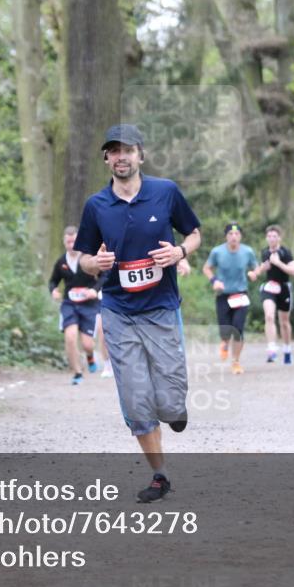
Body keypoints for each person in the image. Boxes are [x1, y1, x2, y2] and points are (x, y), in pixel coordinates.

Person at [75, 123, 201, 503]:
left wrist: (180, 252)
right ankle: (160, 475)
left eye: (127, 150)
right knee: (135, 396)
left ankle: (174, 408)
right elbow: (80, 258)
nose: (121, 157)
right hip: (118, 311)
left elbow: (194, 232)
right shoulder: (97, 206)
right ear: (106, 159)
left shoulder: (165, 192)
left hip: (161, 308)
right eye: (113, 151)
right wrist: (94, 263)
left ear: (140, 155)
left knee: (170, 399)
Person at [49, 226, 107, 385]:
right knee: (70, 337)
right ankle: (77, 372)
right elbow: (53, 280)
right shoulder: (61, 262)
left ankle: (90, 356)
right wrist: (53, 290)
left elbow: (104, 276)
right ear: (64, 242)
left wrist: (95, 290)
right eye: (68, 241)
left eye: (74, 241)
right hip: (69, 304)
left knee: (88, 344)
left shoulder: (88, 259)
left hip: (89, 304)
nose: (71, 244)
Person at [202, 223, 258, 375]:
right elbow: (206, 268)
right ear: (226, 236)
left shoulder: (247, 251)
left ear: (240, 236)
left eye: (237, 234)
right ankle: (224, 343)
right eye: (230, 234)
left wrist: (254, 273)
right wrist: (215, 281)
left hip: (241, 294)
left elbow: (256, 267)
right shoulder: (217, 252)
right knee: (225, 330)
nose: (234, 237)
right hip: (223, 295)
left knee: (238, 329)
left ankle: (236, 362)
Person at [251, 224, 294, 364]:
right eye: (269, 236)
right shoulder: (265, 252)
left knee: (284, 322)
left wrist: (278, 263)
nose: (272, 239)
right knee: (269, 316)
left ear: (279, 238)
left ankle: (287, 350)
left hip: (284, 288)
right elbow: (262, 268)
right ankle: (271, 349)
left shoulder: (286, 252)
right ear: (266, 238)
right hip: (269, 287)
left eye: (274, 236)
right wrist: (258, 272)